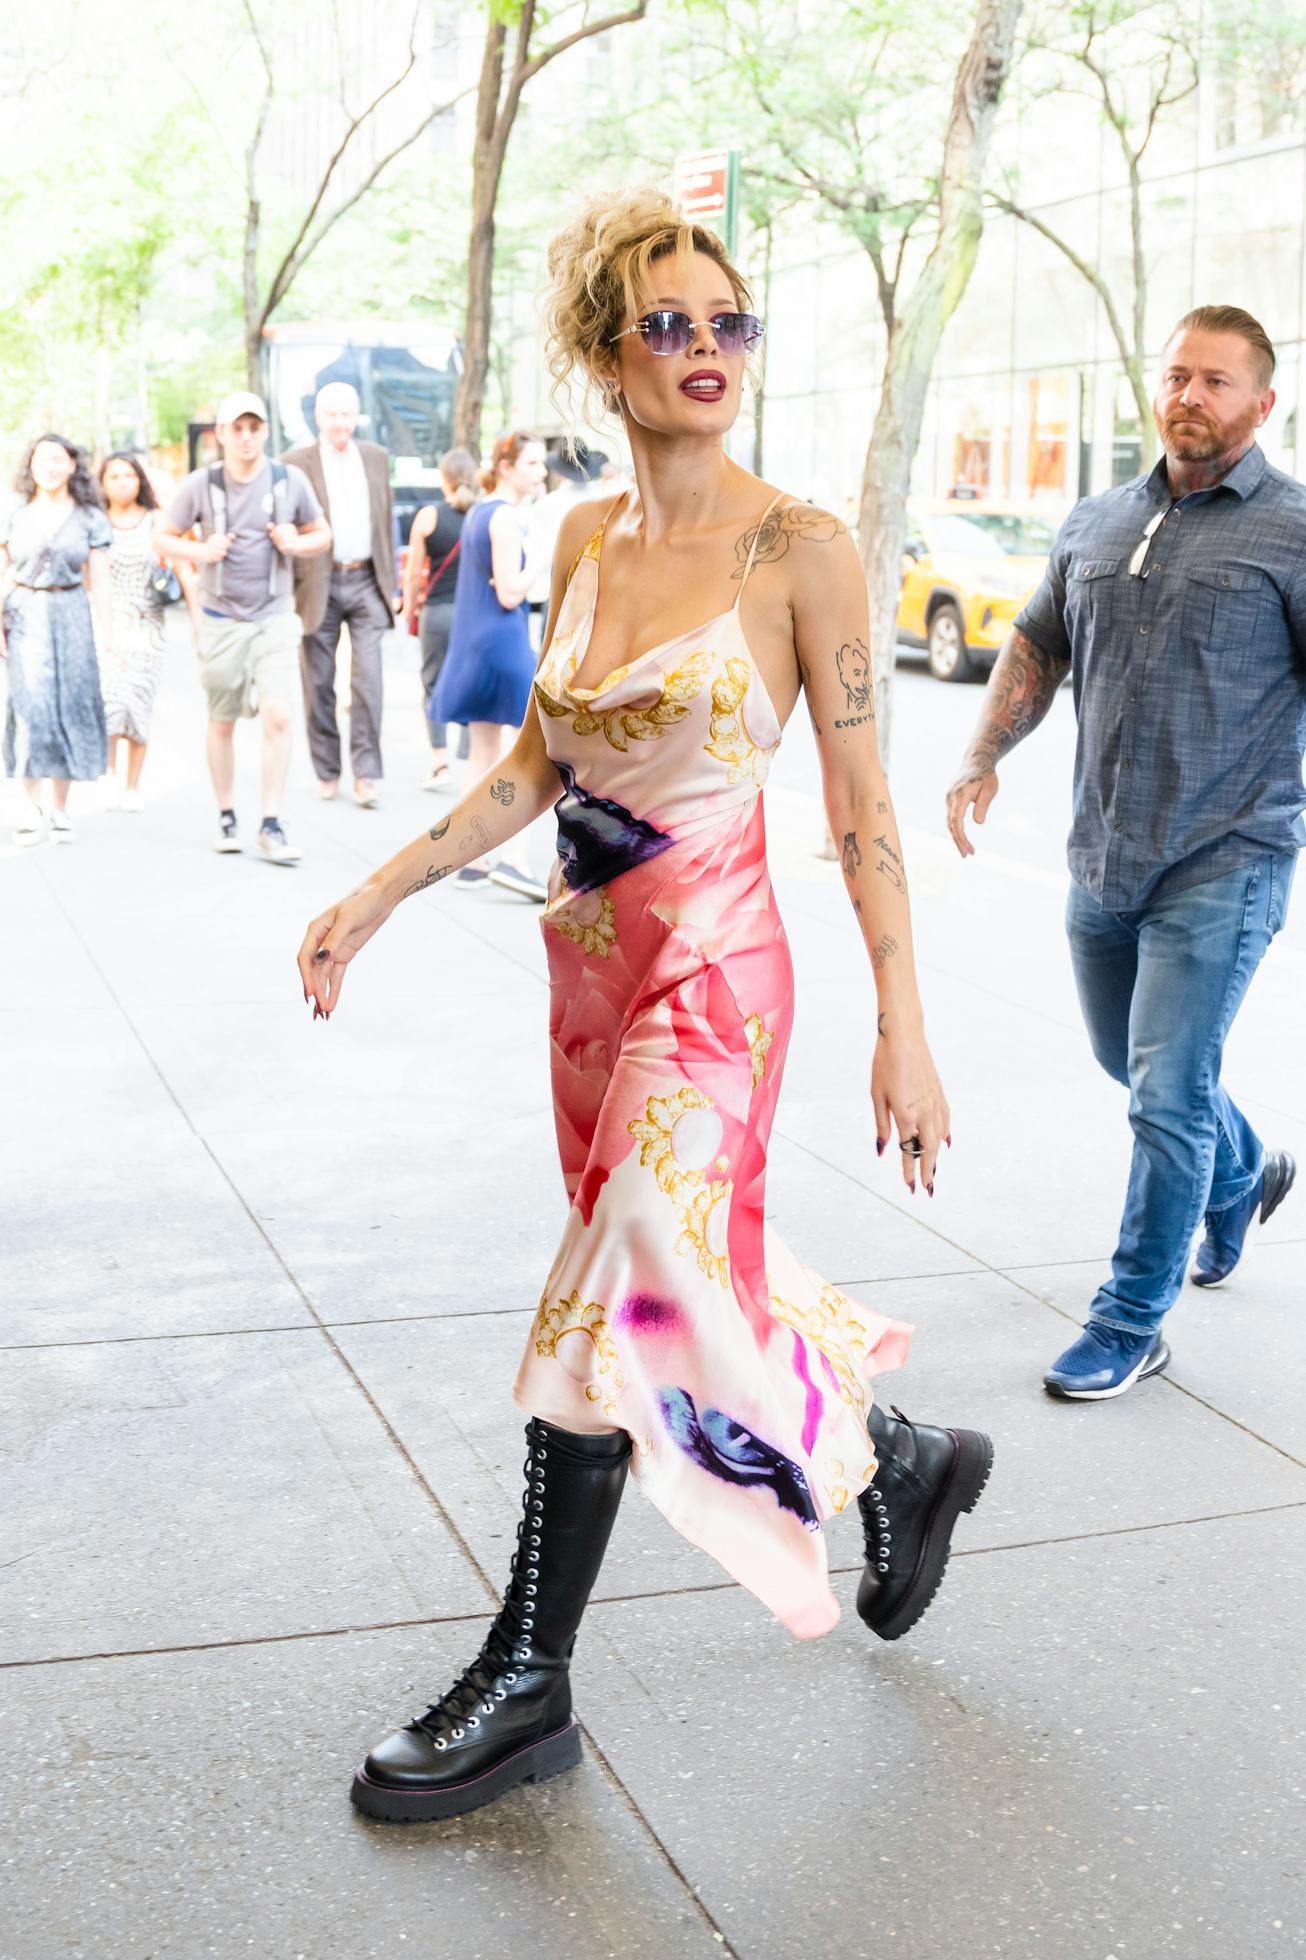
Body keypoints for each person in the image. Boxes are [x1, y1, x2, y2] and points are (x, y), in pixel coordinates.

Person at [299, 187, 992, 1825]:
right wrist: (381, 888)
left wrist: (904, 1015)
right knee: (688, 1276)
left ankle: (526, 1684)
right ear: (606, 358)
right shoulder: (586, 542)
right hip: (591, 972)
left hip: (717, 975)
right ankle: (896, 1459)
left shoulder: (800, 549)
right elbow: (544, 766)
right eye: (667, 325)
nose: (703, 350)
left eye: (727, 323)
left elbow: (858, 798)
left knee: (593, 1323)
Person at [946, 304, 1305, 1402]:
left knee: (1162, 1095)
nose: (1188, 395)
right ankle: (1241, 1171)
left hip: (1225, 858)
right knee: (1137, 1066)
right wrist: (980, 754)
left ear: (1261, 402)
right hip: (1101, 858)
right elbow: (1037, 643)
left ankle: (1130, 1318)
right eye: (1177, 375)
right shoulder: (1097, 519)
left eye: (1216, 381)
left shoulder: (1293, 532)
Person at [160, 392, 331, 863]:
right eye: (237, 428)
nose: (246, 436)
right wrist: (202, 552)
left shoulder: (287, 479)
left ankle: (271, 821)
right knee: (223, 719)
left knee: (278, 713)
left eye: (254, 427)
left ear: (265, 431)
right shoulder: (201, 484)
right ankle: (226, 813)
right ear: (222, 433)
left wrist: (295, 542)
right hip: (220, 620)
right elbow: (164, 537)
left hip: (274, 616)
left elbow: (322, 535)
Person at [433, 429, 547, 891]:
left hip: (476, 644)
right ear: (506, 468)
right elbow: (510, 591)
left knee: (482, 753)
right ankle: (513, 859)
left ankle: (470, 857)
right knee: (521, 756)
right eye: (533, 464)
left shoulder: (479, 512)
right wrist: (542, 558)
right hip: (504, 643)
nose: (540, 472)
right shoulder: (503, 518)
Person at [284, 381, 397, 809]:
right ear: (318, 416)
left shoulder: (375, 457)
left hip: (367, 579)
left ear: (357, 416)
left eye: (347, 414)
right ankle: (327, 770)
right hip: (318, 583)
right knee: (318, 682)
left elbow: (385, 522)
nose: (340, 423)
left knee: (368, 681)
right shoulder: (295, 463)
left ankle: (366, 774)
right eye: (332, 414)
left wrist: (393, 585)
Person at [1, 433, 112, 846]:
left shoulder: (88, 516)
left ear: (71, 464)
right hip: (25, 612)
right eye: (41, 459)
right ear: (30, 465)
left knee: (72, 704)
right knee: (30, 707)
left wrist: (108, 631)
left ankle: (61, 808)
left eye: (57, 458)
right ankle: (32, 807)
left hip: (72, 613)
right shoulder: (14, 512)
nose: (49, 466)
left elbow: (98, 579)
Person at [97, 452, 197, 810]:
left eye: (129, 475)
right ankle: (107, 777)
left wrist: (199, 625)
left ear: (140, 480)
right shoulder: (96, 522)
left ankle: (132, 786)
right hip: (106, 623)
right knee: (109, 701)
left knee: (138, 702)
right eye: (115, 476)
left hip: (148, 623)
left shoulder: (157, 521)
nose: (123, 482)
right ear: (103, 483)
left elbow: (184, 571)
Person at [401, 447, 478, 794]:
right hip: (472, 613)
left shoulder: (428, 516)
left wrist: (410, 608)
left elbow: (415, 574)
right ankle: (470, 756)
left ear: (443, 478)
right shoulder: (481, 514)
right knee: (469, 683)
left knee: (432, 684)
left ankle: (440, 761)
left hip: (438, 612)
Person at [523, 438, 607, 648]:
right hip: (600, 591)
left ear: (559, 471)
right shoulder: (607, 501)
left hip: (558, 591)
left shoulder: (547, 504)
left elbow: (538, 552)